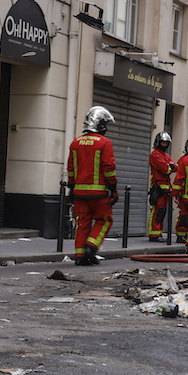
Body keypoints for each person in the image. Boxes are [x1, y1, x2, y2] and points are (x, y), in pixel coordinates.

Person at [67, 105, 118, 266]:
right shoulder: (104, 143)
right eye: (105, 125)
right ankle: (92, 246)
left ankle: (80, 255)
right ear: (100, 125)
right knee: (105, 220)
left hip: (79, 193)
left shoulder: (75, 143)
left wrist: (71, 188)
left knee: (83, 223)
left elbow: (71, 169)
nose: (106, 128)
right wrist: (113, 188)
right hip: (99, 193)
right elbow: (108, 168)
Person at [148, 132, 176, 242]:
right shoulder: (155, 154)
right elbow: (166, 169)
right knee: (157, 211)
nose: (164, 145)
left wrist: (170, 167)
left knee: (162, 212)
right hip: (157, 188)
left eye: (166, 143)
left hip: (165, 189)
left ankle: (158, 233)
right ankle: (154, 235)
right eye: (163, 142)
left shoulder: (166, 155)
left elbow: (176, 167)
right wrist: (170, 167)